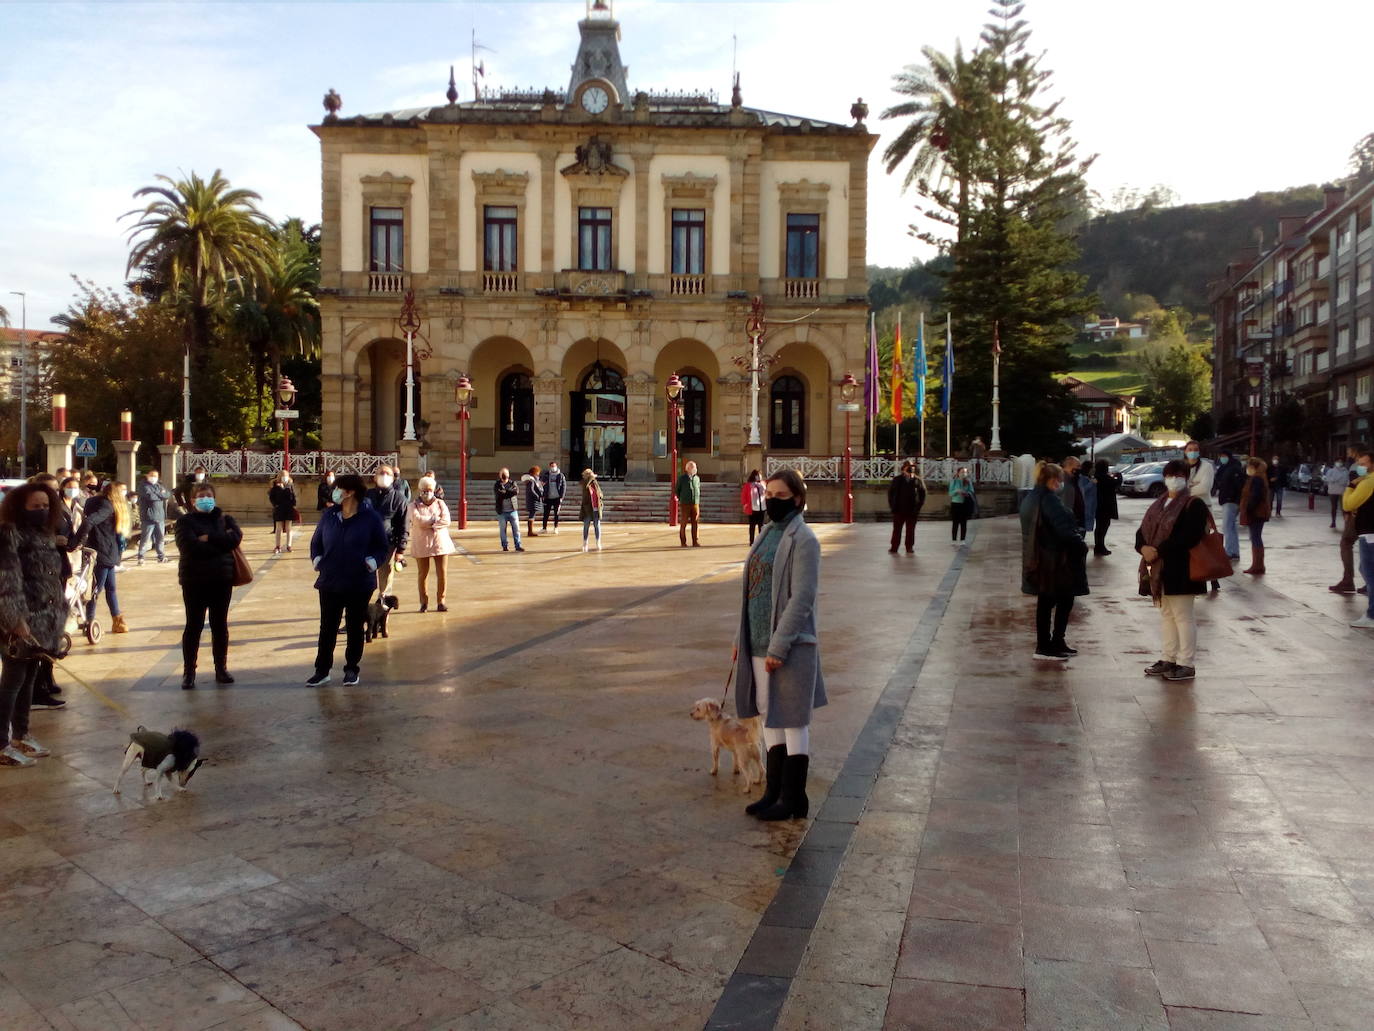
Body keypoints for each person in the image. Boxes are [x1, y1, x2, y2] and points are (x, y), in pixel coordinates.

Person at [734, 468, 825, 821]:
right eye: (768, 494)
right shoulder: (766, 533)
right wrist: (739, 640)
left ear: (798, 500)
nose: (771, 500)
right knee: (768, 713)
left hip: (788, 645)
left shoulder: (805, 540)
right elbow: (751, 590)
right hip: (756, 640)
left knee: (792, 719)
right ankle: (773, 792)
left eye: (780, 496)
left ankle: (793, 798)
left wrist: (778, 646)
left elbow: (802, 598)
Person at [0, 483, 66, 766]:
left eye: (45, 505)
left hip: (42, 620)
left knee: (29, 679)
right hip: (19, 622)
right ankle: (1, 743)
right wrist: (15, 619)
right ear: (20, 507)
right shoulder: (9, 534)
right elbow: (8, 582)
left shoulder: (43, 534)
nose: (41, 511)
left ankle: (22, 734)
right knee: (12, 682)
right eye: (34, 506)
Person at [307, 474, 389, 687]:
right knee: (327, 627)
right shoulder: (329, 515)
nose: (334, 492)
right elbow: (316, 542)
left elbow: (382, 546)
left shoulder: (370, 518)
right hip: (330, 580)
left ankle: (351, 668)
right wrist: (318, 560)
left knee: (354, 627)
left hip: (359, 582)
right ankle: (322, 670)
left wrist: (371, 562)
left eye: (338, 488)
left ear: (350, 492)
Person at [1135, 459, 1207, 682]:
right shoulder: (1160, 503)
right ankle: (1169, 658)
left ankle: (1186, 663)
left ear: (1186, 478)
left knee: (1183, 616)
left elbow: (1189, 537)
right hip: (1158, 569)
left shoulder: (1194, 504)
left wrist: (1157, 550)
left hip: (1181, 569)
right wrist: (1143, 548)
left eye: (1178, 476)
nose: (1173, 480)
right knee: (1167, 614)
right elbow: (1143, 530)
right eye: (1169, 475)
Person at [174, 482, 243, 690]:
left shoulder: (225, 519)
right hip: (194, 581)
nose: (206, 499)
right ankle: (189, 672)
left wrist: (209, 539)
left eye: (209, 495)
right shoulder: (185, 522)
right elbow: (188, 546)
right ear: (193, 500)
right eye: (201, 496)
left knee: (219, 625)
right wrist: (219, 545)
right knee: (193, 626)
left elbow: (235, 539)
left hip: (221, 580)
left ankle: (220, 668)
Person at [1020, 462, 1088, 662]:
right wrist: (1081, 545)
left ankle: (1053, 642)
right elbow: (1064, 530)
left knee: (1047, 602)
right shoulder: (1049, 500)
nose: (1061, 484)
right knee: (1060, 600)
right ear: (1052, 480)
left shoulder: (1031, 498)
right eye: (1059, 480)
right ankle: (1048, 644)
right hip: (1054, 560)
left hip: (1040, 558)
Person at [72, 481, 131, 633]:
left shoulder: (93, 502)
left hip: (102, 550)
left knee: (110, 588)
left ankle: (117, 620)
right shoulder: (107, 506)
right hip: (103, 551)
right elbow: (90, 521)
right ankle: (89, 621)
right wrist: (75, 541)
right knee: (95, 589)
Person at [408, 475, 454, 612]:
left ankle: (441, 601)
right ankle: (423, 602)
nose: (426, 492)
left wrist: (429, 523)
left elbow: (446, 520)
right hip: (422, 543)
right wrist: (434, 520)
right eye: (424, 489)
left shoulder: (440, 503)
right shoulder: (413, 505)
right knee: (423, 573)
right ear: (420, 490)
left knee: (442, 573)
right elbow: (417, 520)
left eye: (429, 489)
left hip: (440, 543)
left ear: (433, 490)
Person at [1330, 443, 1366, 595]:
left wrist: (1347, 509)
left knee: (1347, 542)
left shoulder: (1356, 468)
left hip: (1359, 511)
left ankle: (1348, 580)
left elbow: (1353, 490)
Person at [1344, 450, 1374, 628]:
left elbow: (1349, 504)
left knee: (1370, 574)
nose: (1360, 467)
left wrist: (1350, 487)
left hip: (1369, 532)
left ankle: (1372, 616)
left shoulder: (1367, 483)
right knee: (1365, 568)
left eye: (1364, 464)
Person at [366, 466, 411, 580]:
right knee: (365, 572)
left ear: (392, 479)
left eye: (387, 474)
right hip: (366, 541)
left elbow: (404, 526)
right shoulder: (367, 495)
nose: (384, 476)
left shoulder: (399, 498)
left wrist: (401, 550)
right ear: (375, 478)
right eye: (381, 473)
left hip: (388, 542)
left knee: (385, 573)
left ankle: (384, 596)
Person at [1212, 448, 1246, 562]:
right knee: (1231, 527)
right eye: (1221, 456)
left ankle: (1230, 552)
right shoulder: (1225, 468)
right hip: (1227, 499)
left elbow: (1239, 485)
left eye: (1224, 456)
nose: (1222, 458)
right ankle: (1233, 551)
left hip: (1231, 500)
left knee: (1228, 527)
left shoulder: (1234, 469)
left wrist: (1236, 499)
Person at [884, 461, 924, 554]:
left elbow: (922, 494)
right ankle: (894, 547)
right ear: (903, 468)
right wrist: (892, 506)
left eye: (912, 467)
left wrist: (918, 507)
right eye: (908, 467)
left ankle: (909, 547)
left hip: (912, 510)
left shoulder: (917, 480)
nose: (910, 468)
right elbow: (891, 493)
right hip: (898, 509)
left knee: (910, 530)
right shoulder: (897, 479)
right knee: (897, 529)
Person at [134, 467, 171, 566]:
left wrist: (159, 494)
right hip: (148, 517)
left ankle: (161, 556)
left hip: (160, 516)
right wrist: (160, 495)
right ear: (147, 476)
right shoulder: (143, 486)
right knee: (145, 538)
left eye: (155, 476)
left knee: (160, 538)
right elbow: (150, 496)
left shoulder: (159, 485)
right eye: (152, 476)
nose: (153, 478)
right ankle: (141, 557)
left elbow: (167, 494)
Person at [1240, 458, 1270, 576]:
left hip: (1256, 513)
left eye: (1249, 466)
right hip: (1259, 513)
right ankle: (1258, 565)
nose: (1248, 468)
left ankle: (1257, 565)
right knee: (1256, 537)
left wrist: (1248, 509)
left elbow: (1255, 496)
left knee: (1255, 538)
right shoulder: (1260, 478)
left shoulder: (1257, 479)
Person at [1092, 459, 1118, 556]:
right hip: (1106, 506)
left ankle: (1098, 546)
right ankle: (1100, 546)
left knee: (1099, 527)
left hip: (1098, 505)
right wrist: (1118, 475)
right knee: (1103, 527)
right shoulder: (1105, 477)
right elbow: (1116, 483)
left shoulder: (1096, 477)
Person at [268, 470, 298, 555]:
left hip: (289, 508)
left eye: (286, 476)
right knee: (278, 528)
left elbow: (294, 496)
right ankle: (277, 546)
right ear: (279, 477)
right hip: (279, 508)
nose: (285, 477)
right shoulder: (275, 486)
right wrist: (275, 505)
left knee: (289, 528)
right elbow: (272, 497)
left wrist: (294, 505)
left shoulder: (290, 485)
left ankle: (289, 545)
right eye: (283, 476)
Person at [493, 468, 523, 552]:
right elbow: (499, 494)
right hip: (502, 511)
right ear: (500, 475)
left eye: (505, 473)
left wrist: (505, 492)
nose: (504, 475)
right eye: (502, 473)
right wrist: (508, 493)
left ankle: (518, 545)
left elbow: (515, 492)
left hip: (513, 510)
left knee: (516, 529)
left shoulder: (513, 483)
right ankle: (504, 546)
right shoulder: (497, 484)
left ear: (508, 474)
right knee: (502, 530)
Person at [676, 460, 702, 547]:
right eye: (693, 467)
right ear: (688, 468)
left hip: (695, 503)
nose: (695, 469)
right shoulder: (682, 478)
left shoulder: (697, 478)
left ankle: (695, 541)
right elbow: (677, 490)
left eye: (695, 467)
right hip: (685, 504)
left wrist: (697, 500)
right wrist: (681, 498)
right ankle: (683, 542)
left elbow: (698, 488)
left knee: (695, 523)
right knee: (684, 523)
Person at [1056, 456, 1086, 528]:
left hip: (1076, 522)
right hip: (1070, 524)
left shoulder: (1074, 480)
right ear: (1069, 466)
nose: (1080, 469)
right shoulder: (1062, 482)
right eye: (1078, 466)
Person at [948, 466, 976, 544]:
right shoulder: (954, 481)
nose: (964, 474)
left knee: (963, 522)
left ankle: (962, 539)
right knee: (955, 522)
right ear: (958, 473)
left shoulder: (968, 482)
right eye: (962, 472)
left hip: (964, 504)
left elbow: (971, 491)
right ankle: (954, 539)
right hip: (956, 503)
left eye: (965, 472)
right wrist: (957, 491)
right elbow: (950, 493)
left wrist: (966, 493)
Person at [579, 468, 604, 552]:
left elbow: (600, 493)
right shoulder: (585, 483)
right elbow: (586, 489)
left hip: (596, 508)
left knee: (597, 526)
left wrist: (599, 497)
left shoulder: (595, 483)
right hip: (587, 509)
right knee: (586, 526)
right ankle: (585, 543)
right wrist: (591, 479)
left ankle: (598, 542)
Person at [740, 469, 767, 544]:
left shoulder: (763, 484)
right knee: (752, 525)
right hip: (753, 508)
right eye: (757, 475)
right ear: (754, 476)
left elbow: (767, 493)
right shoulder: (748, 485)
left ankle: (761, 541)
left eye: (760, 475)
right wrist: (745, 504)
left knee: (761, 525)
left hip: (762, 507)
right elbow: (744, 495)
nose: (759, 476)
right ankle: (751, 541)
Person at [1324, 459, 1351, 529]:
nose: (1339, 463)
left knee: (1344, 508)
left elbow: (1347, 481)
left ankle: (1346, 523)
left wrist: (1340, 481)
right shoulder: (1331, 471)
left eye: (1341, 461)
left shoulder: (1345, 471)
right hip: (1333, 491)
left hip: (1343, 491)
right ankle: (1333, 522)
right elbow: (1328, 479)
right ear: (1335, 462)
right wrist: (1337, 479)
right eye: (1338, 461)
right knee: (1334, 507)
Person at [541, 460, 566, 534]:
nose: (553, 468)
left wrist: (562, 497)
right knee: (545, 514)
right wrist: (543, 495)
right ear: (550, 467)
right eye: (552, 466)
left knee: (556, 514)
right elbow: (542, 484)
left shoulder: (560, 475)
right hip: (548, 497)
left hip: (557, 498)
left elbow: (563, 487)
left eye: (554, 466)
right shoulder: (546, 475)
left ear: (556, 466)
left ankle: (556, 527)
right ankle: (544, 528)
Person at [522, 466, 544, 539]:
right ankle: (530, 531)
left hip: (533, 500)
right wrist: (537, 496)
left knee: (532, 515)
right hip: (532, 501)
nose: (538, 474)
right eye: (537, 472)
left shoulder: (534, 480)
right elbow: (531, 490)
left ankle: (530, 531)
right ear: (534, 472)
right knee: (532, 515)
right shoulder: (531, 480)